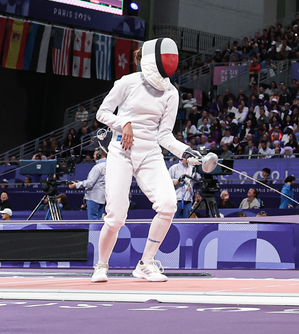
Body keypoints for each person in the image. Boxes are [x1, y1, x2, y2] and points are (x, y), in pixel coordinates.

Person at [93, 38, 211, 284]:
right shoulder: (127, 82)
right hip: (121, 150)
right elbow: (102, 113)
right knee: (116, 216)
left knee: (168, 205)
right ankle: (101, 265)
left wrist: (186, 151)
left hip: (150, 153)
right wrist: (123, 123)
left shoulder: (171, 92)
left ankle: (146, 263)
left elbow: (164, 135)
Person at [71, 150, 107, 220]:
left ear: (99, 155)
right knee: (99, 220)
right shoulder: (109, 166)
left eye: (94, 154)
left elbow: (90, 183)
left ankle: (93, 231)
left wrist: (76, 185)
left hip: (94, 197)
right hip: (103, 197)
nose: (93, 156)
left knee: (93, 221)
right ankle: (99, 231)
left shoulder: (97, 167)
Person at [169, 155, 196, 219]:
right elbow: (166, 180)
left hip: (188, 199)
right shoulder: (174, 168)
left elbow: (197, 179)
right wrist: (173, 181)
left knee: (186, 219)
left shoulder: (193, 168)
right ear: (182, 158)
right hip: (177, 199)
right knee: (175, 219)